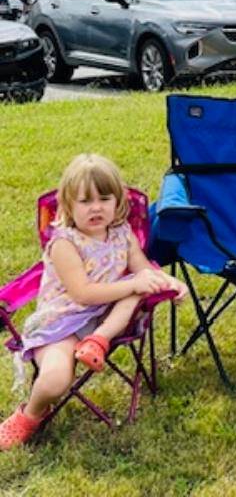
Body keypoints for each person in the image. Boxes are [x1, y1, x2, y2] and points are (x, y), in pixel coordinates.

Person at [0, 154, 186, 450]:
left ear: (118, 203)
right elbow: (83, 293)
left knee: (136, 288)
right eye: (85, 201)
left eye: (104, 198)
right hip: (61, 323)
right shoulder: (64, 243)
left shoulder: (123, 234)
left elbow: (142, 268)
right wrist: (134, 283)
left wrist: (168, 282)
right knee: (55, 381)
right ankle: (30, 414)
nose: (96, 207)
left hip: (103, 321)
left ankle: (99, 341)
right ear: (68, 207)